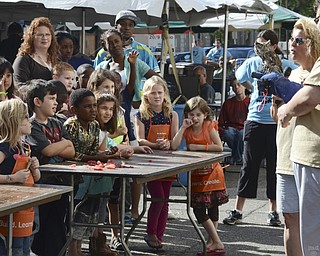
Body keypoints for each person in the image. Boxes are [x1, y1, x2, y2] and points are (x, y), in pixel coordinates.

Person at [223, 30, 297, 226]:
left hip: (276, 122)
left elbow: (297, 80)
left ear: (273, 46)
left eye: (263, 44)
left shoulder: (285, 65)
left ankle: (273, 211)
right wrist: (253, 90)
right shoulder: (253, 62)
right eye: (257, 44)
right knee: (249, 165)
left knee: (274, 166)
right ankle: (238, 209)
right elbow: (238, 77)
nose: (259, 48)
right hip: (255, 119)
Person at [270, 18, 320, 256]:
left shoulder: (316, 73)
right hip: (286, 156)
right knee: (290, 218)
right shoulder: (290, 74)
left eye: (298, 40)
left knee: (311, 224)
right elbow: (276, 118)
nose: (291, 44)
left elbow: (307, 102)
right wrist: (276, 103)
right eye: (291, 39)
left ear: (311, 43)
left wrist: (289, 107)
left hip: (309, 157)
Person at [64, 88, 130, 256]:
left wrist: (107, 154)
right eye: (88, 107)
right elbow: (73, 154)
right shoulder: (70, 126)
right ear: (74, 110)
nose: (93, 110)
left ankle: (81, 246)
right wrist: (99, 156)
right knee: (77, 212)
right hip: (74, 175)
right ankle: (73, 250)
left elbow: (94, 151)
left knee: (90, 212)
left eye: (94, 106)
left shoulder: (94, 126)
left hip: (91, 173)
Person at [24, 79, 75, 256]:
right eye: (51, 98)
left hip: (61, 183)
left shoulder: (58, 123)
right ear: (37, 102)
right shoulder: (32, 126)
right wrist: (64, 143)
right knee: (40, 229)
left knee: (58, 227)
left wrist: (62, 145)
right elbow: (47, 149)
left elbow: (72, 151)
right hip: (42, 185)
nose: (56, 102)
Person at [171, 96, 225, 255]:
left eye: (198, 115)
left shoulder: (209, 126)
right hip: (197, 175)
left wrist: (197, 146)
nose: (194, 118)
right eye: (191, 114)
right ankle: (215, 241)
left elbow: (219, 147)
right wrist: (182, 128)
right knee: (199, 209)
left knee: (212, 208)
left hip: (213, 174)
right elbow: (174, 145)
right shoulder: (187, 129)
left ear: (205, 115)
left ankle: (214, 241)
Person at [135, 76, 179, 249]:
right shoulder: (141, 115)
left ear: (165, 94)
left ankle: (159, 238)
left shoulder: (171, 114)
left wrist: (168, 143)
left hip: (167, 161)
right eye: (153, 92)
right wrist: (155, 144)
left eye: (160, 92)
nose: (157, 96)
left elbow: (174, 139)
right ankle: (150, 232)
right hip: (149, 161)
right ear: (146, 95)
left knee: (165, 200)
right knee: (158, 198)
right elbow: (140, 140)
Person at [0, 99, 40, 256]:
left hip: (25, 207)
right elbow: (16, 177)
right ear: (14, 121)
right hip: (10, 209)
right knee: (13, 248)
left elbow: (35, 178)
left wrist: (35, 168)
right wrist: (12, 178)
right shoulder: (4, 147)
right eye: (25, 117)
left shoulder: (24, 147)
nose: (29, 120)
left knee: (25, 247)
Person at [13, 17, 58, 87]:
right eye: (40, 35)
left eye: (47, 34)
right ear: (32, 37)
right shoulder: (23, 59)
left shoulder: (55, 58)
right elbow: (19, 87)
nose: (44, 38)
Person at [218, 76, 250, 165]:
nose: (236, 87)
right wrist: (221, 131)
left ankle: (236, 157)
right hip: (231, 128)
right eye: (234, 86)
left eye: (239, 85)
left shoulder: (250, 102)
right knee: (229, 133)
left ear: (244, 86)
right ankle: (239, 157)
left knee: (241, 134)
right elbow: (221, 122)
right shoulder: (228, 103)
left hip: (245, 127)